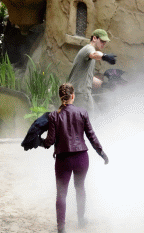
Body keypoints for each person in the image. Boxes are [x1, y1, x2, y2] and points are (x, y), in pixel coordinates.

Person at [40, 83, 109, 233]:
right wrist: (102, 153)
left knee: (61, 193)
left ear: (60, 96)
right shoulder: (82, 112)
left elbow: (49, 141)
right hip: (81, 158)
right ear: (73, 96)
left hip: (63, 160)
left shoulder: (54, 115)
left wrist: (40, 142)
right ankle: (81, 221)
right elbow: (91, 136)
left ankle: (61, 229)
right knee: (80, 188)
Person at [68, 29, 117, 112]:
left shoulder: (90, 55)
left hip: (81, 93)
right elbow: (94, 54)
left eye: (105, 42)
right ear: (94, 38)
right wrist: (105, 56)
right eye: (102, 41)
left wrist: (105, 84)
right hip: (81, 94)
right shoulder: (89, 48)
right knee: (86, 121)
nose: (104, 44)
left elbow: (88, 78)